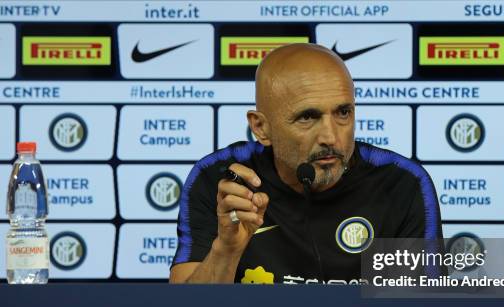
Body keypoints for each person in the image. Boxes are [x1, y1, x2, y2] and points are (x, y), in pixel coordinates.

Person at [169, 43, 443, 284]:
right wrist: (226, 250)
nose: (331, 137)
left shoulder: (400, 184)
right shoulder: (223, 182)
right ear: (261, 128)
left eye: (343, 113)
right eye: (307, 117)